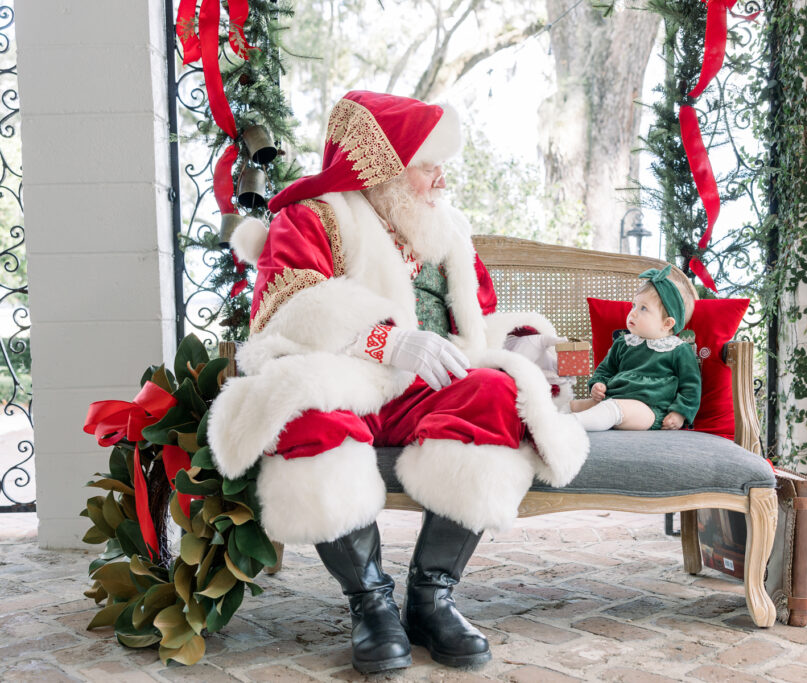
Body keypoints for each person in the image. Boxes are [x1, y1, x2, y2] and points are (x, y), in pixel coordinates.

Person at [207, 91, 588, 673]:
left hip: (428, 388)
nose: (441, 180)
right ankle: (370, 604)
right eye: (427, 166)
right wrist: (384, 338)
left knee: (495, 393)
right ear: (383, 168)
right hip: (350, 376)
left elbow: (478, 323)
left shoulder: (447, 232)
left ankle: (432, 598)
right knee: (302, 412)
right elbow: (283, 310)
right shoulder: (317, 216)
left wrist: (520, 344)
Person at [570, 266, 701, 432]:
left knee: (612, 410)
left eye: (643, 308)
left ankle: (567, 424)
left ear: (667, 323)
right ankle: (543, 417)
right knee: (576, 405)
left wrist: (680, 413)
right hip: (611, 397)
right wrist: (598, 384)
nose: (632, 313)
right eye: (634, 305)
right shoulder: (624, 343)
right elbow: (605, 369)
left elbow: (691, 386)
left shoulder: (678, 349)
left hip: (649, 409)